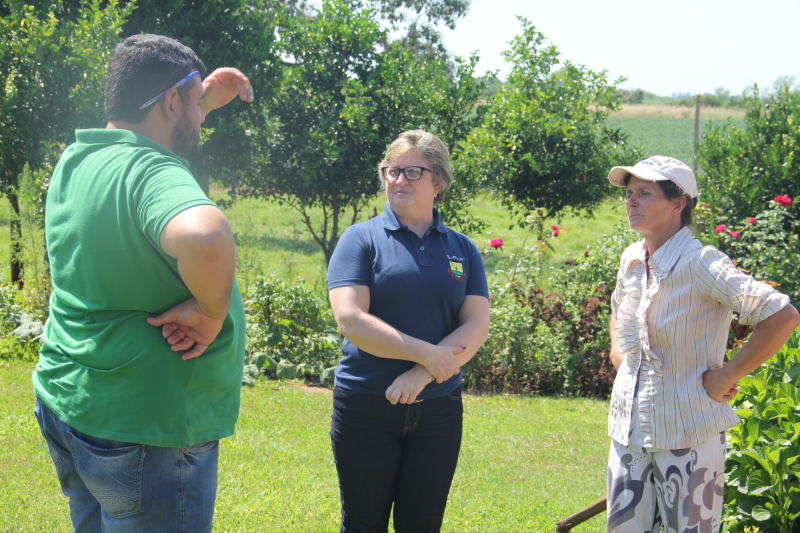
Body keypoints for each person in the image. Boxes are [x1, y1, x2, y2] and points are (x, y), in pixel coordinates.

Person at [31, 34, 254, 532]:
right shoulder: (152, 171)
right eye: (195, 106)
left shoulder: (80, 158)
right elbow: (205, 235)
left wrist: (205, 98)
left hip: (75, 405)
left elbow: (151, 140)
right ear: (171, 102)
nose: (201, 117)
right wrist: (211, 313)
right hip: (147, 430)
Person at [604, 155, 800, 533]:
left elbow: (782, 316)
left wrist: (728, 375)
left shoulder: (701, 262)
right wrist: (618, 350)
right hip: (627, 430)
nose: (631, 202)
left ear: (678, 203)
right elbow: (618, 308)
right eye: (629, 194)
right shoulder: (632, 257)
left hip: (688, 431)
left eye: (644, 193)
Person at [326, 130, 490, 532]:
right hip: (367, 405)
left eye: (412, 171)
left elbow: (477, 324)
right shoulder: (360, 239)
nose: (399, 180)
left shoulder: (462, 248)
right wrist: (426, 353)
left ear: (438, 182)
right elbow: (350, 318)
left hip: (439, 409)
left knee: (423, 524)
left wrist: (424, 372)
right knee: (364, 523)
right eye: (392, 171)